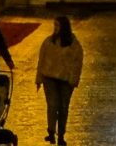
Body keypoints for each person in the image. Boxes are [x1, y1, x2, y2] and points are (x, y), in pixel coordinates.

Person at [35, 15, 85, 146]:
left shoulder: (74, 45)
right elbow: (42, 60)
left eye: (57, 25)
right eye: (54, 25)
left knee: (63, 108)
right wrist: (39, 79)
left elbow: (77, 63)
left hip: (65, 81)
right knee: (52, 105)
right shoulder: (48, 42)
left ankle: (61, 134)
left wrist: (73, 80)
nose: (55, 28)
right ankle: (51, 131)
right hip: (49, 78)